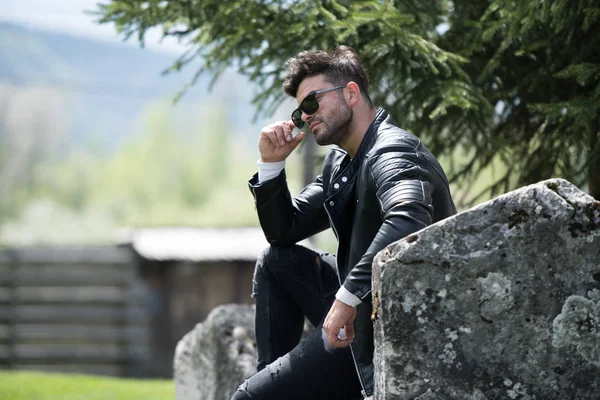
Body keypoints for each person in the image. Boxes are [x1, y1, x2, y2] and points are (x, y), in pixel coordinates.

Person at [232, 46, 456, 400]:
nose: (305, 116)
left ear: (351, 93)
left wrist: (347, 298)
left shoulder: (393, 150)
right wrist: (271, 166)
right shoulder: (342, 163)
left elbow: (409, 218)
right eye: (299, 109)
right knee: (277, 260)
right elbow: (283, 231)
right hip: (363, 313)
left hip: (396, 328)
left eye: (312, 102)